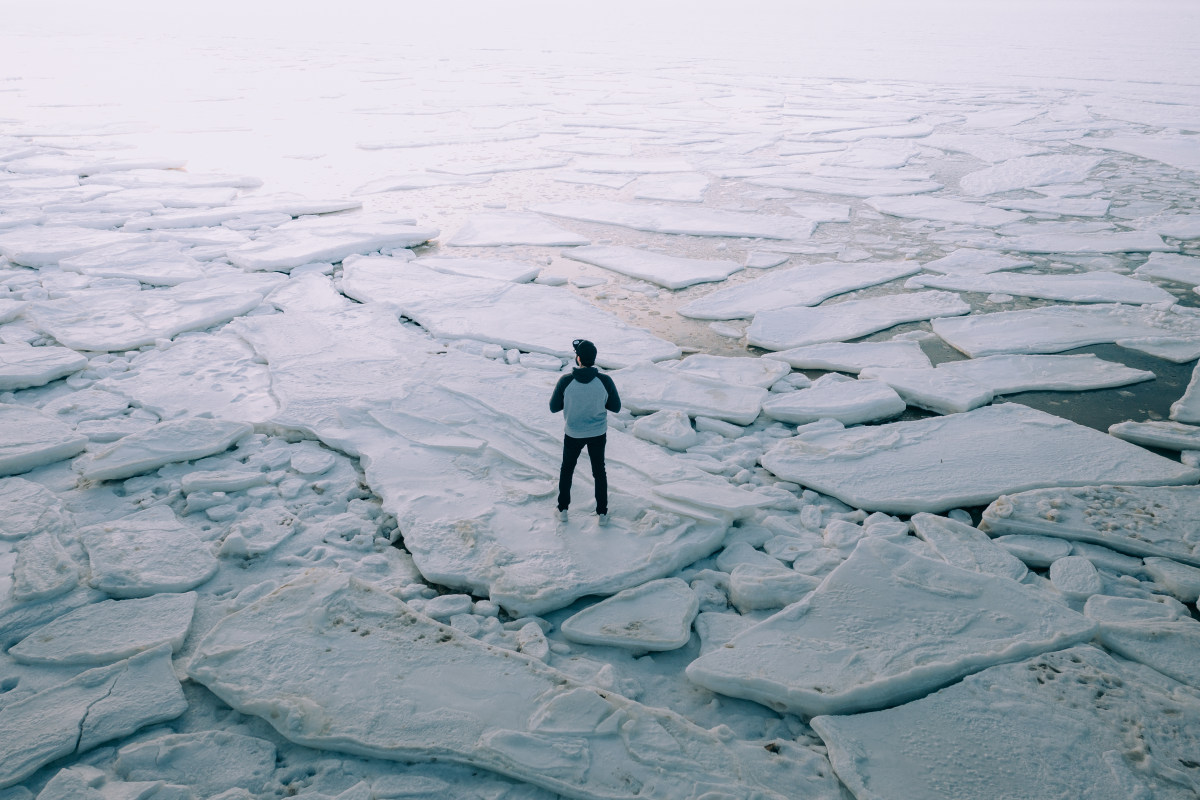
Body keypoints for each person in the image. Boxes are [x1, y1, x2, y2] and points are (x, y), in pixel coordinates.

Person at [549, 338, 620, 526]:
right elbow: (616, 407)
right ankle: (602, 513)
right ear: (594, 359)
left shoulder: (566, 381)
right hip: (598, 433)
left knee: (567, 469)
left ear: (578, 358)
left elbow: (553, 407)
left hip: (573, 433)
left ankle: (563, 510)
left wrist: (573, 400)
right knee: (599, 471)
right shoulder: (605, 381)